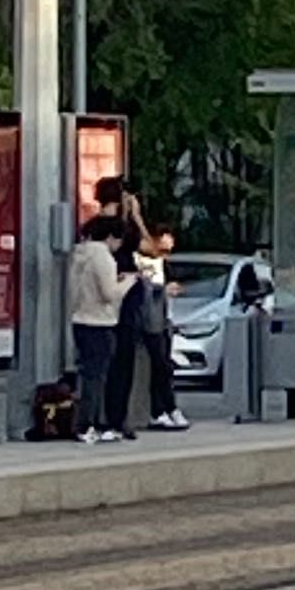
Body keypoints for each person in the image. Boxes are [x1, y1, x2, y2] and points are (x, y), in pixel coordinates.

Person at [95, 178, 188, 434]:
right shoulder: (117, 228)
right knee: (121, 360)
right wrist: (135, 216)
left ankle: (114, 418)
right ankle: (115, 418)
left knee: (118, 359)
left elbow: (151, 250)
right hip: (123, 293)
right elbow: (150, 248)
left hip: (115, 295)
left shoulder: (103, 227)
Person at [68, 214, 130, 441]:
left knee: (87, 375)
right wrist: (128, 282)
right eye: (119, 240)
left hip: (81, 320)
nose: (119, 246)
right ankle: (89, 425)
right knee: (97, 378)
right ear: (111, 237)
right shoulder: (103, 257)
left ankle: (86, 423)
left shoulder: (80, 255)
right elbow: (109, 294)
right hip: (100, 322)